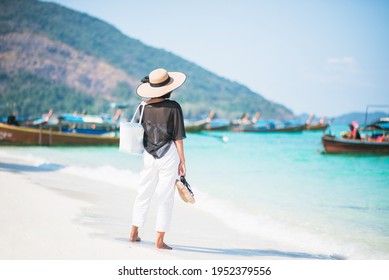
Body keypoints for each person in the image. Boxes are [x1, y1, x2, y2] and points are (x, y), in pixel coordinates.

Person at [129, 68, 187, 250]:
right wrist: (183, 161)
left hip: (148, 155)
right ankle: (159, 241)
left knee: (143, 192)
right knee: (165, 197)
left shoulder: (143, 106)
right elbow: (177, 136)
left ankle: (133, 233)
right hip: (167, 154)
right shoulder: (174, 107)